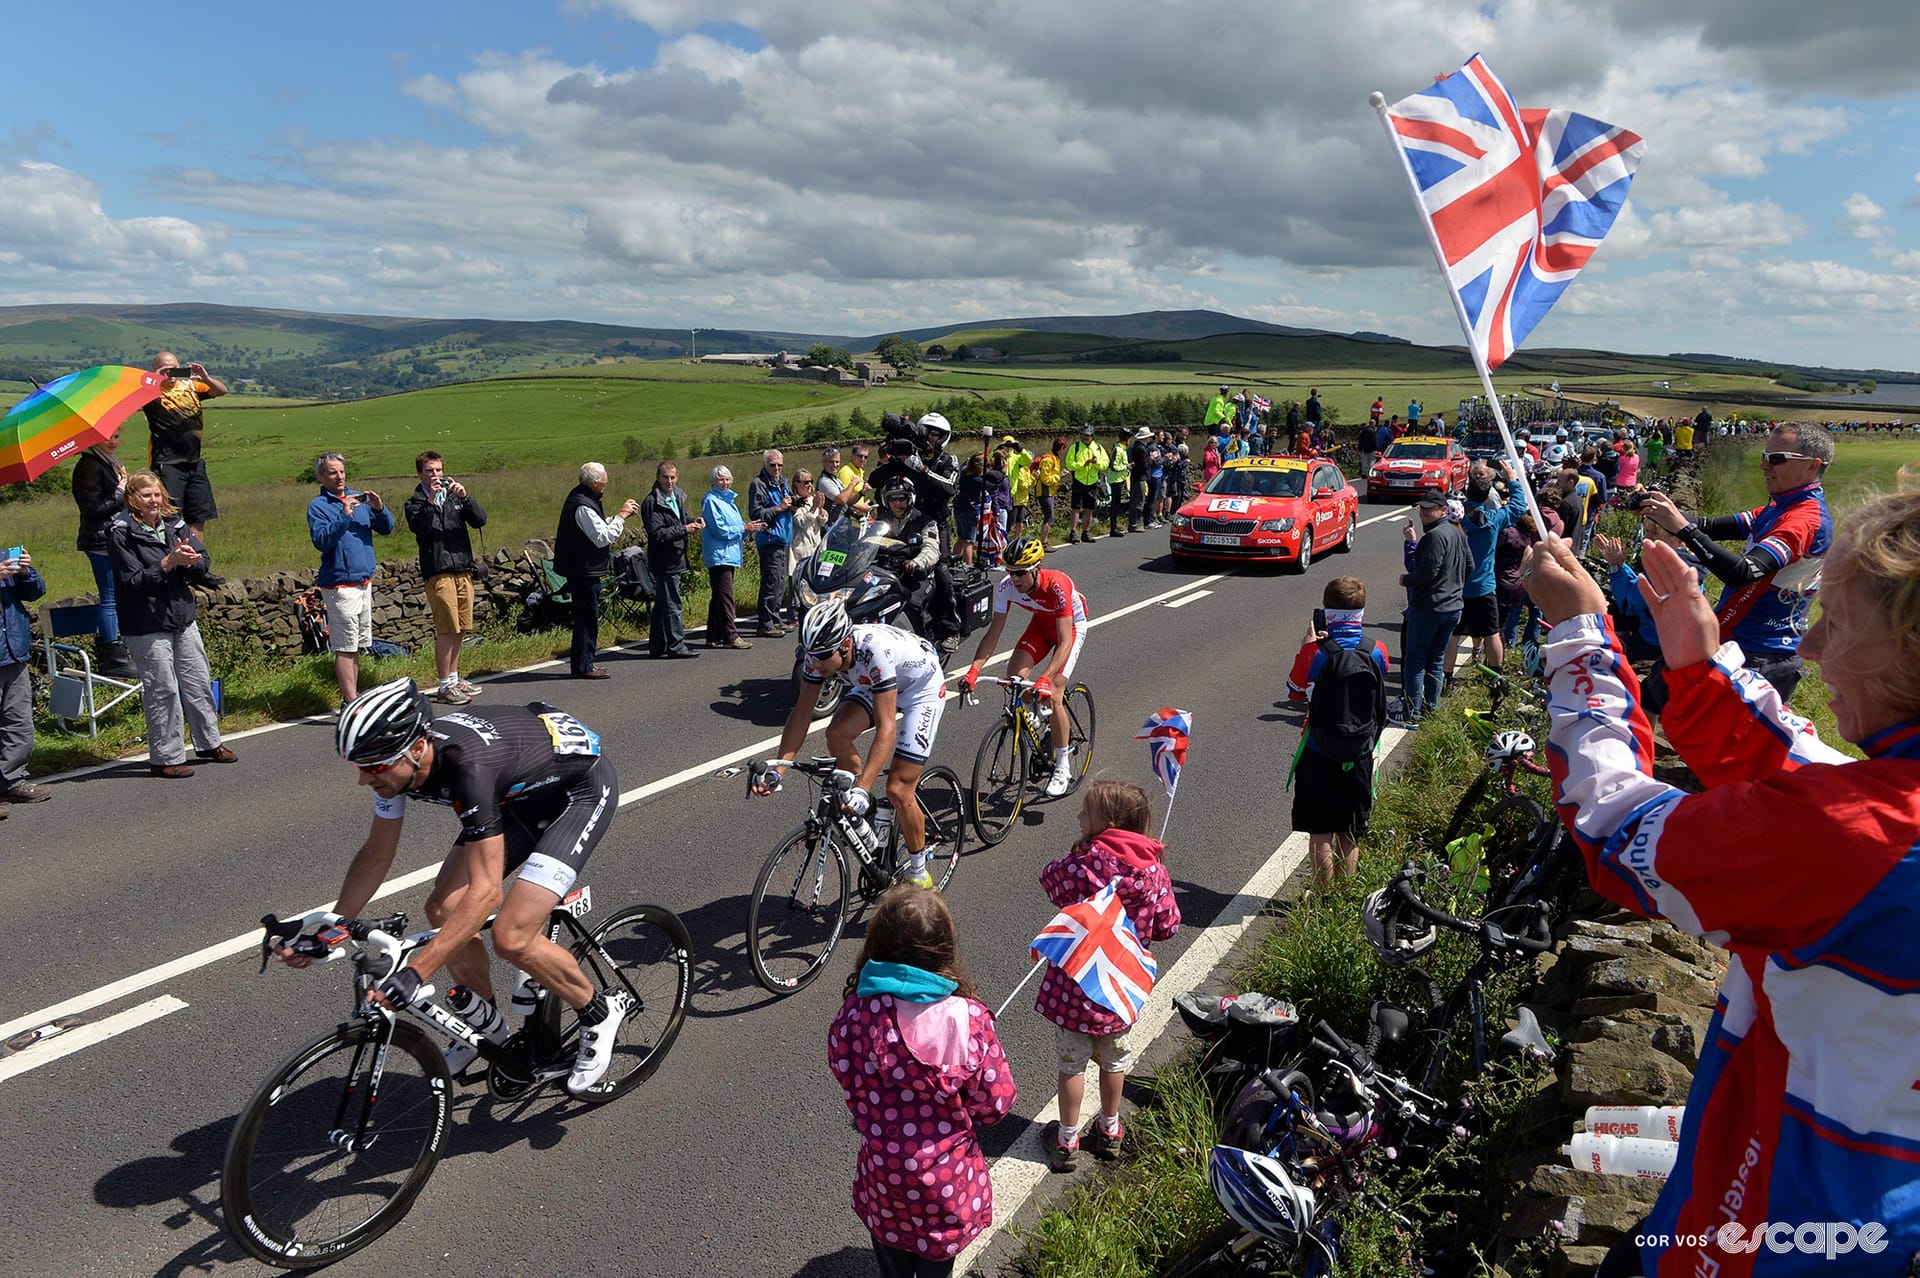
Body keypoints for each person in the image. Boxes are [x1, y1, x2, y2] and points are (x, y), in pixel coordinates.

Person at [1521, 489, 1920, 1278]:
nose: (1808, 650)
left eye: (1834, 625)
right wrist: (1701, 672)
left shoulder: (1865, 841)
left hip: (1774, 1230)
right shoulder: (1882, 816)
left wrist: (1578, 640)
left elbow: (1615, 824)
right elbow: (1813, 780)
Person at [311, 679, 629, 1093]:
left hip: (580, 793)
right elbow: (377, 852)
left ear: (415, 748)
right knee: (443, 909)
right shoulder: (398, 770)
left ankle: (599, 1012)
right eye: (359, 767)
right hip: (519, 794)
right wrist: (336, 925)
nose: (364, 780)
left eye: (373, 768)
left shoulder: (468, 768)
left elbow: (485, 893)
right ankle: (487, 1026)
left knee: (512, 936)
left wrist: (416, 971)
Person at [828, 886, 1016, 1277]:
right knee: (936, 1269)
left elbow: (844, 1070)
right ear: (944, 951)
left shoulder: (857, 1014)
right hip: (945, 1182)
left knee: (892, 1261)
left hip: (884, 1174)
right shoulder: (967, 1021)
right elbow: (995, 1104)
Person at [1036, 779, 1179, 1171]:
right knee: (1114, 1062)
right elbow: (1169, 925)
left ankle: (1066, 1140)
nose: (1080, 817)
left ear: (1107, 823)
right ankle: (1110, 1129)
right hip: (1120, 988)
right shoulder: (1153, 872)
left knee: (1071, 1064)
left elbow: (1050, 880)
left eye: (1086, 812)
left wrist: (1079, 857)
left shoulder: (1088, 864)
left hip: (1076, 986)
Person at [1636, 423, 1833, 705]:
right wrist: (1657, 509)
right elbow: (1708, 526)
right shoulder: (1780, 507)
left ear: (1812, 466)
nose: (1765, 466)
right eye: (1764, 457)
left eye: (1776, 458)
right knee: (1654, 694)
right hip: (1734, 640)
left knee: (1711, 740)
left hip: (1760, 655)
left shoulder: (1803, 519)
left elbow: (1743, 572)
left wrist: (1682, 529)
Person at [756, 600, 950, 886]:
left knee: (898, 788)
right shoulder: (818, 658)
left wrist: (863, 787)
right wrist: (779, 770)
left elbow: (886, 729)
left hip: (921, 686)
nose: (816, 663)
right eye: (811, 655)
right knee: (836, 733)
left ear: (845, 645)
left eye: (823, 656)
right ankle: (865, 804)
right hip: (873, 682)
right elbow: (802, 713)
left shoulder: (874, 652)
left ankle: (920, 873)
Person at [109, 471, 236, 778]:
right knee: (163, 689)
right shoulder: (120, 532)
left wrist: (192, 560)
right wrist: (168, 563)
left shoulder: (174, 523)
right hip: (146, 622)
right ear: (132, 499)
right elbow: (132, 582)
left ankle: (209, 742)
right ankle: (166, 757)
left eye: (156, 494)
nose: (153, 501)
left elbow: (204, 561)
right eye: (146, 495)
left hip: (181, 614)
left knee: (197, 681)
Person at [962, 537, 1088, 797]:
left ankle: (1062, 765)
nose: (1014, 578)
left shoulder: (1057, 585)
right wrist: (973, 670)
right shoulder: (1007, 586)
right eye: (1010, 571)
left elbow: (1064, 643)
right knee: (1015, 679)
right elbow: (993, 635)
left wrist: (1046, 678)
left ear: (1036, 568)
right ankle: (1038, 715)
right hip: (1041, 627)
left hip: (1071, 629)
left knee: (1053, 690)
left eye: (1020, 572)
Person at [1285, 576, 1390, 886]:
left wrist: (1306, 646)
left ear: (1326, 611)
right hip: (1360, 750)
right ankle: (1346, 892)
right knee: (1350, 828)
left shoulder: (1315, 652)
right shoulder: (1377, 650)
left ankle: (1323, 898)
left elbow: (1293, 691)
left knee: (1321, 831)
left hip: (1318, 749)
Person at [308, 452, 394, 705]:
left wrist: (379, 508)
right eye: (333, 472)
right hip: (339, 584)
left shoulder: (359, 499)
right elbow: (321, 541)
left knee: (357, 644)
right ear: (321, 477)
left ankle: (353, 698)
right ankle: (350, 701)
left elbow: (387, 528)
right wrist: (344, 516)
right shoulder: (318, 507)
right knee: (345, 646)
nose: (340, 477)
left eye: (342, 471)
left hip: (363, 580)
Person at [403, 451, 487, 706]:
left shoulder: (454, 497)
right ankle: (443, 685)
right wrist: (430, 501)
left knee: (461, 627)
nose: (436, 475)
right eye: (430, 471)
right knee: (446, 628)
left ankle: (454, 677)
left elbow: (480, 520)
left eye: (439, 470)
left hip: (462, 567)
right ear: (419, 474)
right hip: (438, 570)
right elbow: (420, 528)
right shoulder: (415, 503)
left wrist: (466, 498)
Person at [552, 461, 637, 679]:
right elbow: (602, 537)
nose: (606, 485)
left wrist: (615, 519)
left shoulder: (583, 499)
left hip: (583, 568)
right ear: (595, 482)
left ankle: (586, 662)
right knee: (587, 617)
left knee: (588, 616)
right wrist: (622, 516)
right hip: (583, 570)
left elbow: (597, 528)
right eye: (603, 482)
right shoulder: (582, 504)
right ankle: (583, 666)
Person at [143, 353, 228, 571]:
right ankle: (173, 564)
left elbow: (221, 391)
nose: (170, 373)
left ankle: (196, 566)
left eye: (173, 368)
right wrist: (156, 379)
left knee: (198, 515)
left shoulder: (190, 386)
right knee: (171, 516)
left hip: (194, 462)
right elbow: (136, 396)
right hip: (167, 463)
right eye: (164, 369)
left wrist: (205, 378)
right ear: (157, 369)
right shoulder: (151, 392)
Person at [1394, 492, 1471, 726]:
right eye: (1422, 508)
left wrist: (1406, 580)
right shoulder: (1458, 533)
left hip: (1430, 607)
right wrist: (1454, 585)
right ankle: (1431, 708)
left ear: (1443, 510)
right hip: (1453, 606)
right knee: (1435, 659)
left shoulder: (1434, 537)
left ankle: (1411, 712)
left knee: (1415, 660)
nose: (1424, 512)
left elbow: (1427, 573)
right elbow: (1470, 565)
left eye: (1430, 509)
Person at [70, 425, 139, 678]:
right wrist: (121, 491)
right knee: (109, 596)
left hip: (113, 536)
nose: (112, 441)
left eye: (117, 436)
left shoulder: (107, 462)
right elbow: (94, 509)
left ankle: (118, 647)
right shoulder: (89, 466)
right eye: (106, 437)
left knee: (118, 593)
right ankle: (113, 656)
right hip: (100, 540)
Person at [1457, 459, 1529, 671]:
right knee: (1492, 632)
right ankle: (1496, 673)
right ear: (1487, 496)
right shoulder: (1494, 518)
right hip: (1485, 585)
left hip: (1459, 585)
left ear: (1467, 494)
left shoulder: (1457, 519)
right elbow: (1517, 507)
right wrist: (1513, 480)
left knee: (1454, 634)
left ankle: (1447, 676)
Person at [0, 542, 52, 815]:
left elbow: (36, 592)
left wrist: (25, 572)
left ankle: (11, 780)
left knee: (19, 724)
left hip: (13, 651)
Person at [639, 460, 702, 660]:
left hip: (676, 558)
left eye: (673, 477)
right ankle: (677, 646)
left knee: (662, 605)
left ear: (677, 477)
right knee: (673, 604)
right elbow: (657, 533)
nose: (669, 481)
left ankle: (658, 646)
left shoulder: (676, 497)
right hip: (664, 561)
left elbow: (681, 518)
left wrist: (693, 521)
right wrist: (684, 529)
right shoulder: (652, 502)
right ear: (657, 478)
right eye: (665, 477)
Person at [869, 479, 942, 636]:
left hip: (917, 576)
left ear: (910, 498)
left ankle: (924, 647)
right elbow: (867, 542)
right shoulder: (882, 521)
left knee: (912, 604)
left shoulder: (924, 521)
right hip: (887, 575)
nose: (897, 503)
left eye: (901, 498)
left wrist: (916, 562)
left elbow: (931, 548)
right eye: (892, 499)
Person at [701, 464, 762, 650]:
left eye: (727, 479)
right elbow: (719, 530)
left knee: (719, 596)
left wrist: (749, 528)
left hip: (729, 554)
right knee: (726, 596)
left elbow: (736, 529)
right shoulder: (711, 501)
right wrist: (744, 528)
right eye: (721, 479)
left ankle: (713, 635)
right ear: (713, 481)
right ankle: (731, 635)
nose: (725, 483)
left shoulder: (730, 502)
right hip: (719, 555)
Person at [748, 449, 796, 638]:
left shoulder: (782, 482)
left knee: (779, 583)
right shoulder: (758, 484)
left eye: (780, 465)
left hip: (783, 537)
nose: (777, 468)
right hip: (769, 539)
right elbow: (756, 513)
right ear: (765, 465)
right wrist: (779, 508)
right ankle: (765, 623)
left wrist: (794, 503)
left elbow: (789, 504)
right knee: (771, 581)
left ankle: (775, 619)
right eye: (773, 465)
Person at [1064, 423, 1108, 545]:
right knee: (1076, 507)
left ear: (1092, 436)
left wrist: (1095, 463)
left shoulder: (1098, 448)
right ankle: (1073, 532)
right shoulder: (1075, 447)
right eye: (1083, 435)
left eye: (1088, 435)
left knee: (1089, 508)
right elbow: (1069, 464)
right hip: (1079, 480)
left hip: (1093, 481)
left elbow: (1105, 464)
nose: (1085, 437)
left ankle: (1085, 532)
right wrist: (1083, 464)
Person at [1033, 438, 1064, 550]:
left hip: (1049, 491)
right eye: (1063, 449)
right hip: (1044, 491)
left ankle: (1044, 542)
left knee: (1049, 517)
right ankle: (1043, 543)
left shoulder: (1054, 458)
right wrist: (1059, 476)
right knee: (1049, 517)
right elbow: (1045, 479)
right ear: (1061, 448)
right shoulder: (1048, 460)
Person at [1103, 425, 1132, 538]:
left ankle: (1114, 526)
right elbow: (1113, 466)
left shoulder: (1121, 449)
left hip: (1119, 479)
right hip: (1115, 480)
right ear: (1125, 439)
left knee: (1117, 504)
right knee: (1115, 505)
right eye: (1129, 438)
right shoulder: (1119, 449)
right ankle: (1113, 529)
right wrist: (1127, 467)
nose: (1130, 441)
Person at [1003, 435, 1034, 539]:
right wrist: (997, 449)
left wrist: (1020, 449)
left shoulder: (1016, 458)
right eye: (1006, 445)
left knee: (1016, 522)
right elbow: (989, 461)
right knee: (1007, 523)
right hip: (1003, 495)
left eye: (1010, 445)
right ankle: (1002, 544)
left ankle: (1012, 544)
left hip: (1013, 494)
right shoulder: (999, 456)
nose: (1008, 447)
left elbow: (1029, 461)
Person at [836, 444, 875, 522]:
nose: (863, 459)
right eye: (860, 456)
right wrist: (861, 507)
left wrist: (864, 504)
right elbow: (843, 499)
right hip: (847, 518)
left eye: (865, 457)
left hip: (858, 517)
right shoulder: (846, 472)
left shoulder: (860, 471)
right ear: (852, 456)